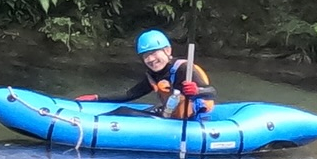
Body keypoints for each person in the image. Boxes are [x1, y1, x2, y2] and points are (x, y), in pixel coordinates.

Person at [77, 29, 215, 118]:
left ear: (168, 50)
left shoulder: (184, 69)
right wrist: (97, 98)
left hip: (191, 120)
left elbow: (211, 92)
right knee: (122, 110)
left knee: (123, 112)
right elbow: (130, 94)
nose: (151, 59)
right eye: (146, 55)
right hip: (171, 115)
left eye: (154, 53)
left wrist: (196, 91)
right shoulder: (153, 75)